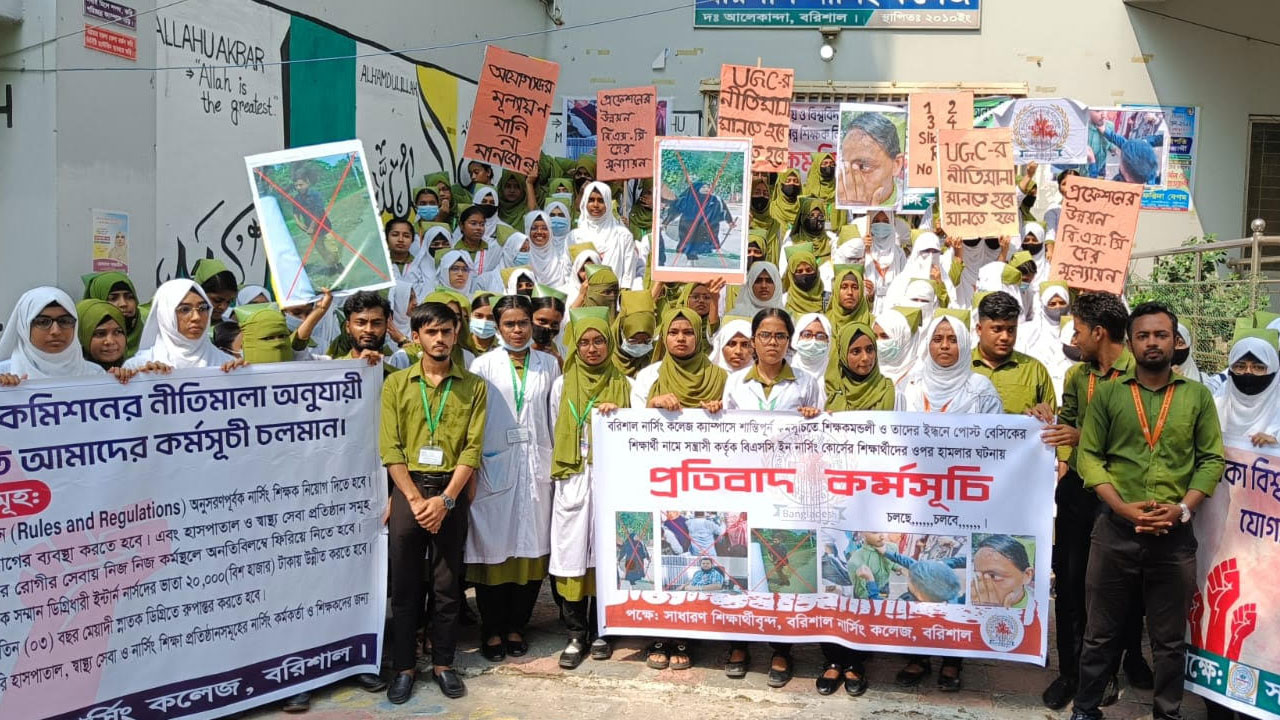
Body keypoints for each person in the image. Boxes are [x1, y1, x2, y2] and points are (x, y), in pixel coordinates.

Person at [1069, 302, 1225, 720]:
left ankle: (1166, 713)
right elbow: (1090, 456)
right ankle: (1085, 708)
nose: (1152, 343)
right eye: (1143, 336)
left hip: (1173, 537)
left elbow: (1212, 459)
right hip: (1114, 532)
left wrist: (1182, 509)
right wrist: (1122, 507)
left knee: (1169, 640)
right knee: (1100, 633)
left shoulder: (1196, 396)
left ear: (1176, 342)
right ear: (1131, 342)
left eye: (1160, 335)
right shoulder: (1109, 394)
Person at [1038, 291, 1149, 711]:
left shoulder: (1140, 376)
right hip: (1077, 495)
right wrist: (1047, 422)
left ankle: (1103, 674)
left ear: (1099, 332)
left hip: (1119, 500)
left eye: (1079, 330)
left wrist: (1081, 437)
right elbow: (1066, 422)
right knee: (1069, 586)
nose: (1075, 338)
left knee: (1111, 592)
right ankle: (1070, 673)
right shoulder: (1076, 377)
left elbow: (1139, 438)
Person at [380, 302, 485, 703]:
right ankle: (404, 667)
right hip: (408, 490)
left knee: (447, 586)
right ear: (416, 337)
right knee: (405, 586)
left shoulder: (473, 386)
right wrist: (413, 498)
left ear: (456, 334)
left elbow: (472, 449)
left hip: (449, 492)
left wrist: (445, 500)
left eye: (446, 331)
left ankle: (443, 663)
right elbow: (390, 447)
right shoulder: (397, 384)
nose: (439, 339)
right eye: (431, 332)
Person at [721, 308, 822, 685]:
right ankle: (739, 643)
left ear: (789, 342)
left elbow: (821, 434)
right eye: (765, 335)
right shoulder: (734, 383)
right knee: (742, 563)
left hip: (786, 488)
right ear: (753, 341)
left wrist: (814, 417)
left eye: (780, 336)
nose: (772, 343)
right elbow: (722, 434)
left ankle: (781, 649)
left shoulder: (807, 382)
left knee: (780, 563)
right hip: (744, 486)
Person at [630, 307, 727, 673]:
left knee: (693, 564)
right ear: (665, 337)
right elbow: (629, 428)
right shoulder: (649, 376)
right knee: (663, 561)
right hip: (659, 478)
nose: (681, 338)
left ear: (699, 336)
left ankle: (687, 635)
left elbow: (737, 425)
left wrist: (720, 409)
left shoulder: (720, 377)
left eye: (688, 332)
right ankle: (658, 635)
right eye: (674, 332)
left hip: (703, 477)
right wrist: (653, 404)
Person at [466, 295, 560, 664]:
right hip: (495, 465)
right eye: (509, 324)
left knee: (531, 548)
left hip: (536, 465)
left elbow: (553, 414)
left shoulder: (548, 363)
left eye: (523, 323)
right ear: (498, 326)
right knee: (493, 548)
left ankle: (518, 625)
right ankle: (492, 628)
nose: (517, 330)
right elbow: (474, 418)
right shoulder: (483, 364)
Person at [549, 308, 631, 669]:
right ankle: (575, 634)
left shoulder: (624, 384)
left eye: (599, 341)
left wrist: (618, 415)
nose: (592, 348)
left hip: (610, 477)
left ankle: (601, 631)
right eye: (584, 342)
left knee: (605, 555)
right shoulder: (561, 385)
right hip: (573, 475)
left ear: (609, 344)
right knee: (571, 556)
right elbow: (553, 427)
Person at [0, 288, 128, 386]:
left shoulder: (94, 374)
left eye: (65, 321)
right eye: (43, 322)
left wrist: (121, 383)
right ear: (25, 326)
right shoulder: (4, 373)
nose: (56, 331)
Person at [123, 280, 244, 372]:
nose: (196, 317)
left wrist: (244, 376)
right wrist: (142, 381)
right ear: (166, 315)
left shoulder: (226, 364)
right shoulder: (139, 366)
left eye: (203, 308)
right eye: (185, 309)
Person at [971, 291, 1058, 414]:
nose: (1005, 337)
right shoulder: (959, 367)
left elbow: (1051, 418)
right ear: (979, 329)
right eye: (997, 329)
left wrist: (1041, 414)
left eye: (1011, 330)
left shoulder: (1034, 370)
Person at [570, 182, 639, 290]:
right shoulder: (574, 236)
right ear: (584, 202)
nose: (595, 205)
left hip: (613, 296)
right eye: (591, 200)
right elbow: (569, 271)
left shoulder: (623, 235)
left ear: (608, 203)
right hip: (582, 296)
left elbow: (628, 274)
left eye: (601, 200)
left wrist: (620, 296)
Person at [1215, 330, 1280, 445]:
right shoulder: (1217, 401)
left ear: (1273, 371)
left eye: (1258, 367)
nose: (1248, 372)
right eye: (1240, 367)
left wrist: (1276, 443)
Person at [837, 112, 905, 209]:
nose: (850, 180)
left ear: (896, 165)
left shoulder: (909, 204)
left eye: (863, 167)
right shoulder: (838, 199)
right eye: (845, 167)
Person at [827, 321, 897, 412]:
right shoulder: (830, 392)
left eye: (869, 350)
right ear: (843, 355)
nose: (865, 358)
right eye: (856, 352)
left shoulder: (890, 392)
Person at [82, 271, 146, 357]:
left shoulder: (151, 338)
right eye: (113, 298)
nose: (123, 304)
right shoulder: (78, 353)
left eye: (129, 297)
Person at [970, 535, 1034, 608]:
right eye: (978, 577)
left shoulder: (1036, 609)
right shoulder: (969, 600)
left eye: (993, 576)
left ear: (1027, 575)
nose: (981, 587)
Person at [613, 290, 657, 377]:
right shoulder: (603, 358)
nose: (640, 346)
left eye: (646, 341)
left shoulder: (657, 356)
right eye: (633, 340)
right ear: (621, 332)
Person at [75, 299, 129, 371]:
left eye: (118, 332)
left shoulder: (136, 369)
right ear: (81, 335)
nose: (110, 341)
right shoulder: (72, 374)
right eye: (100, 334)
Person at [874, 307, 921, 385]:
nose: (878, 342)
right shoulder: (867, 369)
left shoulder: (920, 376)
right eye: (875, 336)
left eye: (885, 336)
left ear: (904, 339)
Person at [524, 209, 570, 288]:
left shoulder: (561, 258)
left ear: (550, 231)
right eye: (534, 228)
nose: (539, 232)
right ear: (527, 231)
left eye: (544, 228)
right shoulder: (522, 260)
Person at [825, 265, 872, 334]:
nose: (850, 292)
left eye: (855, 287)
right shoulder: (824, 322)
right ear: (836, 291)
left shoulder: (872, 323)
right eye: (844, 287)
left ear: (861, 291)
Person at [782, 244, 825, 318]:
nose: (804, 274)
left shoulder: (827, 299)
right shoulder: (784, 301)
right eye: (799, 271)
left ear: (816, 271)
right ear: (792, 275)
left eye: (809, 270)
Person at [789, 313, 834, 381]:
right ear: (797, 337)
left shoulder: (835, 372)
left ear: (828, 340)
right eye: (807, 335)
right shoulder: (786, 368)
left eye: (820, 336)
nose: (813, 341)